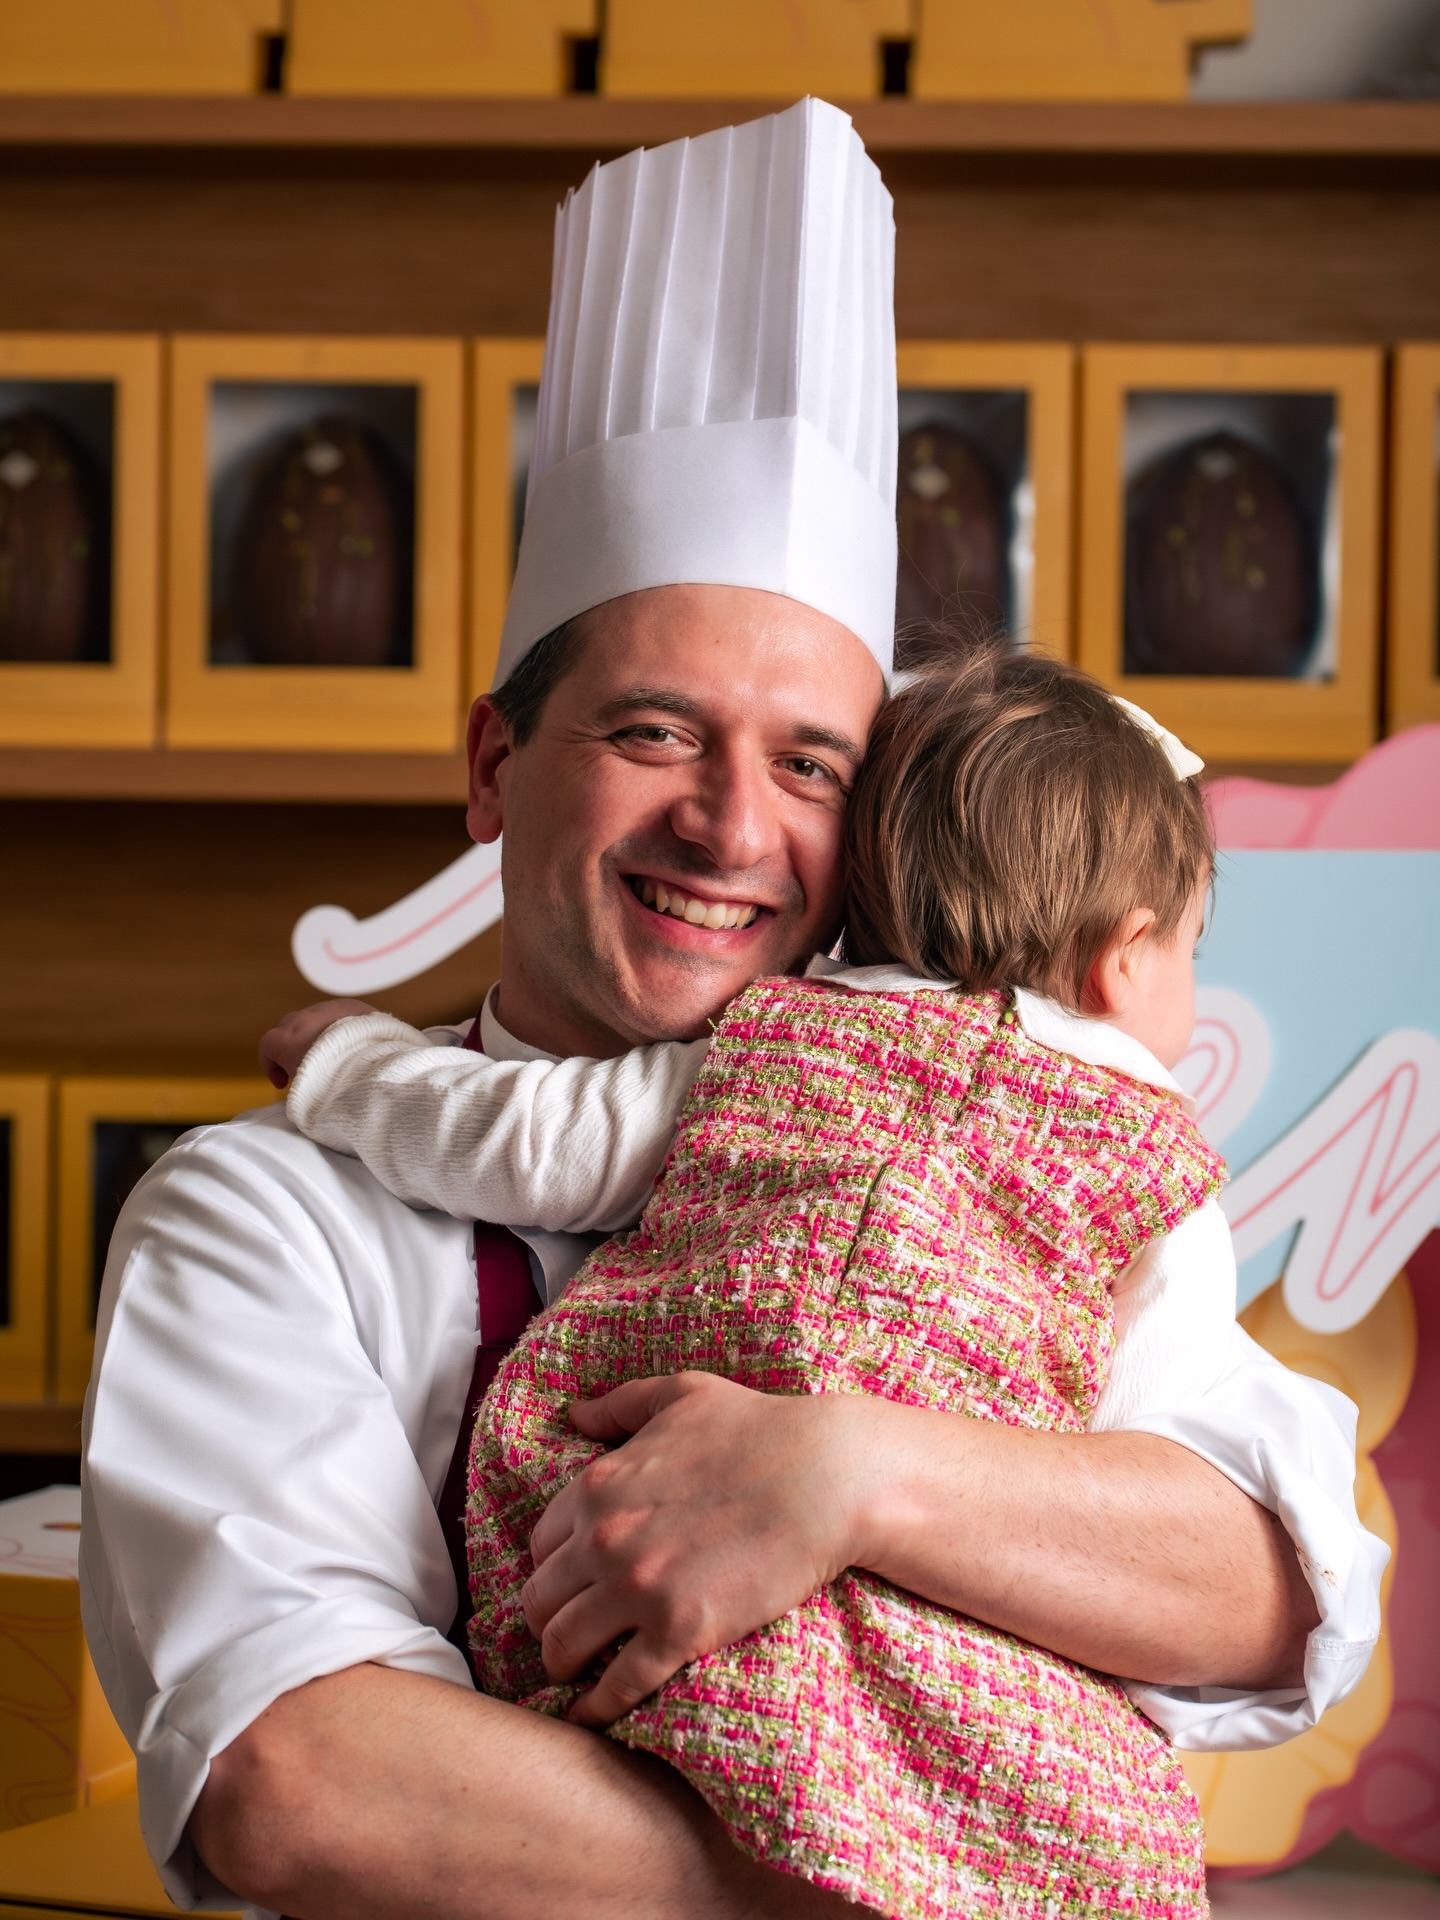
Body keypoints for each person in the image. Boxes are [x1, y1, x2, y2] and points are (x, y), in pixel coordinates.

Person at [81, 101, 1384, 1920]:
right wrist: (922, 1881)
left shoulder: (979, 1157)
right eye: (653, 731)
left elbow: (1268, 1583)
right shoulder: (260, 1214)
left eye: (809, 765)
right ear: (493, 763)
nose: (729, 826)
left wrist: (853, 1474)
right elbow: (303, 1784)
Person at [264, 648, 1235, 1919]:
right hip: (956, 1650)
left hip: (646, 1584)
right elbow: (1155, 1456)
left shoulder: (770, 1039)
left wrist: (347, 1062)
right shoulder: (1156, 1164)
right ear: (1127, 957)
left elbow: (518, 1140)